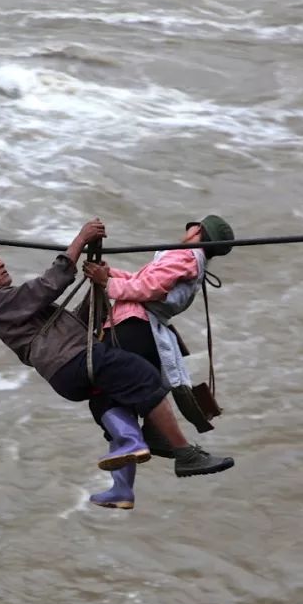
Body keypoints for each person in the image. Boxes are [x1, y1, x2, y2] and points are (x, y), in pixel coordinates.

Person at [0, 218, 233, 480]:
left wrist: (98, 285)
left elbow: (77, 322)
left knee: (110, 398)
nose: (0, 263)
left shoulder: (13, 306)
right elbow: (49, 285)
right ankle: (185, 455)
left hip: (69, 372)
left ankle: (144, 442)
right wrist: (82, 239)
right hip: (74, 362)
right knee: (144, 376)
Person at [80, 215, 235, 509]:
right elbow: (143, 281)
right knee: (116, 405)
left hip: (133, 328)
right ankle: (123, 488)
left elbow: (149, 289)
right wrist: (109, 274)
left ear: (197, 231)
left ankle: (182, 452)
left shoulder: (184, 254)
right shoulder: (193, 262)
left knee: (107, 399)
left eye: (191, 226)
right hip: (141, 330)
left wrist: (107, 283)